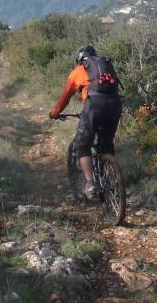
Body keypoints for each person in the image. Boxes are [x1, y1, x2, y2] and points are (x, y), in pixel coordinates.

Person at [49, 45, 122, 200]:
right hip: (115, 104)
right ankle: (112, 182)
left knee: (82, 144)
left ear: (80, 60)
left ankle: (90, 183)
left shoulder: (78, 71)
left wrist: (54, 113)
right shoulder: (106, 68)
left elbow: (65, 97)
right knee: (106, 144)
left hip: (95, 105)